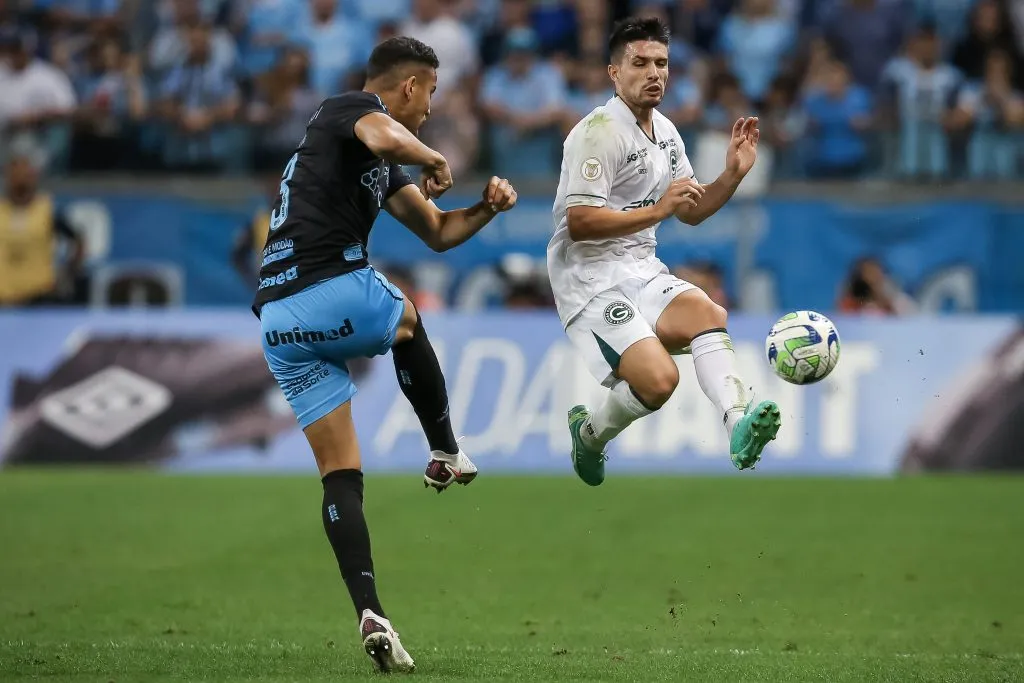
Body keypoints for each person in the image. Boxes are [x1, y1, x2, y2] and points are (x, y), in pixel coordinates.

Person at [251, 37, 517, 673]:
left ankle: (371, 614)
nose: (430, 107)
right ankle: (446, 450)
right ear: (409, 86)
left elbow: (438, 232)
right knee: (406, 317)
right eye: (430, 93)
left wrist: (486, 207)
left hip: (279, 321)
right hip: (325, 283)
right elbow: (384, 133)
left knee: (340, 473)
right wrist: (434, 156)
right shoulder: (348, 109)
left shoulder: (378, 160)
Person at [546, 17, 780, 487]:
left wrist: (732, 175)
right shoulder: (598, 132)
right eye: (640, 63)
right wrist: (657, 210)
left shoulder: (667, 132)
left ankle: (738, 425)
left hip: (641, 268)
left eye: (662, 63)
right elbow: (581, 222)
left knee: (708, 312)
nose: (654, 73)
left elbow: (690, 211)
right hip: (590, 281)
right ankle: (589, 437)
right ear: (614, 72)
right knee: (659, 381)